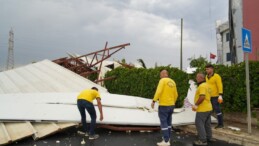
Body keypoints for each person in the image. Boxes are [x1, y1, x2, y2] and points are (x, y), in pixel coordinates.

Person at [151, 69, 178, 146]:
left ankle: (166, 141)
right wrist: (173, 102)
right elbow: (176, 94)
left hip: (164, 105)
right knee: (169, 122)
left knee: (164, 123)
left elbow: (158, 91)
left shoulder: (162, 81)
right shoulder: (173, 82)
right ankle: (168, 138)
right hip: (171, 105)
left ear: (163, 74)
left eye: (160, 74)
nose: (160, 76)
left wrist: (154, 101)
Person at [192, 73, 213, 145]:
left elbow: (202, 97)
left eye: (197, 77)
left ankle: (203, 141)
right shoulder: (208, 85)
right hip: (209, 108)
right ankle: (209, 137)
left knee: (199, 123)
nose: (196, 78)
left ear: (201, 78)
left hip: (202, 109)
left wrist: (196, 104)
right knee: (207, 124)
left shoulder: (202, 86)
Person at [205, 64, 224, 129]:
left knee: (217, 109)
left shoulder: (216, 76)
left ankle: (221, 124)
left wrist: (220, 95)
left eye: (208, 69)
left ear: (212, 69)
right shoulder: (206, 76)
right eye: (206, 69)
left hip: (215, 96)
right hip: (208, 96)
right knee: (209, 110)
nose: (206, 70)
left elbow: (220, 85)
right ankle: (208, 123)